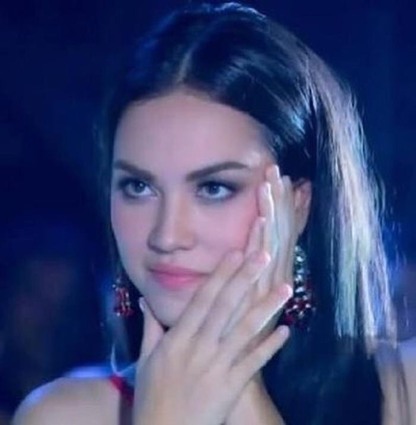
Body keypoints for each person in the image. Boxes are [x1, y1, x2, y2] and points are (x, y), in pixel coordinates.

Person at [11, 3, 413, 424]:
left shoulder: (405, 390)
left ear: (297, 204)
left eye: (214, 188)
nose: (166, 236)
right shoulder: (64, 415)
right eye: (138, 186)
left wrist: (241, 388)